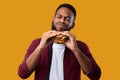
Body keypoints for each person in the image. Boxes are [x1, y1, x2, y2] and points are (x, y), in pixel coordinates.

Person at [18, 3, 101, 80]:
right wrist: (40, 47)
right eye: (59, 16)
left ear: (73, 24)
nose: (62, 21)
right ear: (53, 19)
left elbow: (95, 76)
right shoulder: (37, 43)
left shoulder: (80, 46)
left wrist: (75, 50)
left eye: (67, 19)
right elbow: (23, 74)